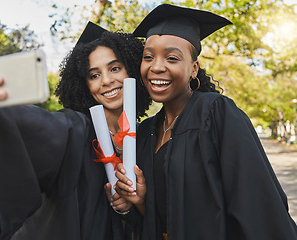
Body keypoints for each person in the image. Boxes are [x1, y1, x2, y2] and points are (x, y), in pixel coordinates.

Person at [0, 21, 151, 239]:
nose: (106, 81)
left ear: (132, 70)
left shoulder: (147, 135)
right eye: (94, 75)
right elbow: (43, 127)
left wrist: (130, 205)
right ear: (84, 84)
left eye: (115, 68)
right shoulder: (77, 129)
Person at [114, 4, 297, 240]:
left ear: (193, 69)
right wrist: (140, 201)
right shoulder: (148, 130)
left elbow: (257, 203)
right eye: (148, 57)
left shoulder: (216, 112)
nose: (156, 67)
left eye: (171, 58)